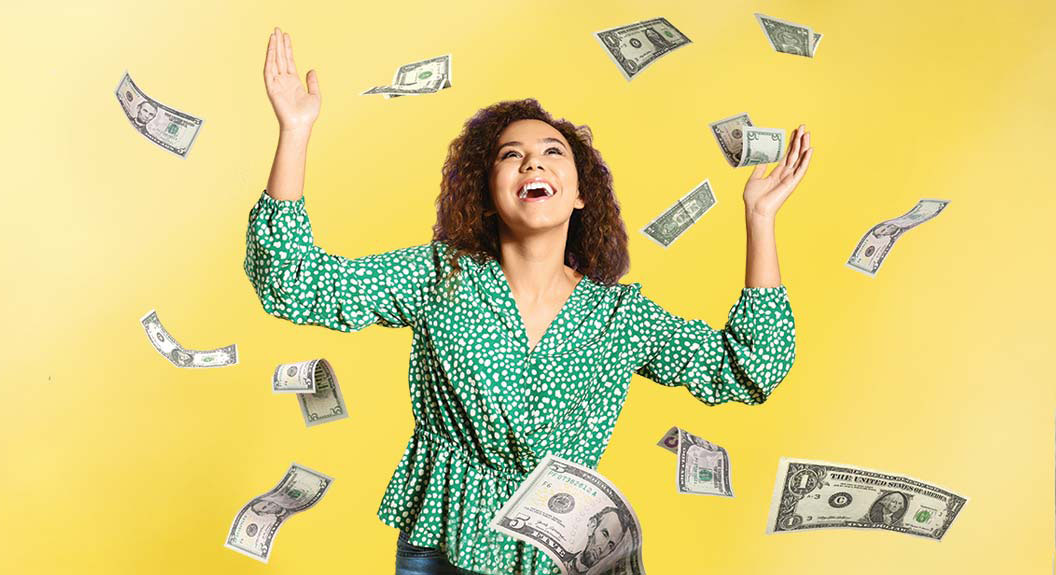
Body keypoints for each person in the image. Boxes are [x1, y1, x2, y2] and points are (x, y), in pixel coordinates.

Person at [246, 27, 811, 575]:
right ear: (487, 194)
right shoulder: (438, 276)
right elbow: (293, 281)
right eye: (509, 155)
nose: (532, 162)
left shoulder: (622, 318)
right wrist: (295, 130)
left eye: (551, 152)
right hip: (440, 551)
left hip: (560, 558)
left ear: (581, 192)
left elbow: (750, 368)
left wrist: (760, 220)